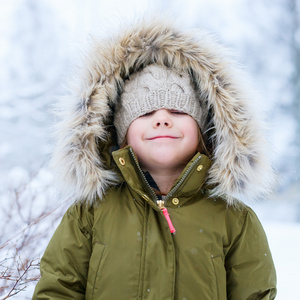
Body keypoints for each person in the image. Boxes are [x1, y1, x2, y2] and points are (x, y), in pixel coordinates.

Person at [32, 18, 277, 299]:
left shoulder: (233, 220)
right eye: (146, 114)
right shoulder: (90, 214)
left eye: (177, 110)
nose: (162, 119)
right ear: (122, 133)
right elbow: (58, 290)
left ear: (203, 130)